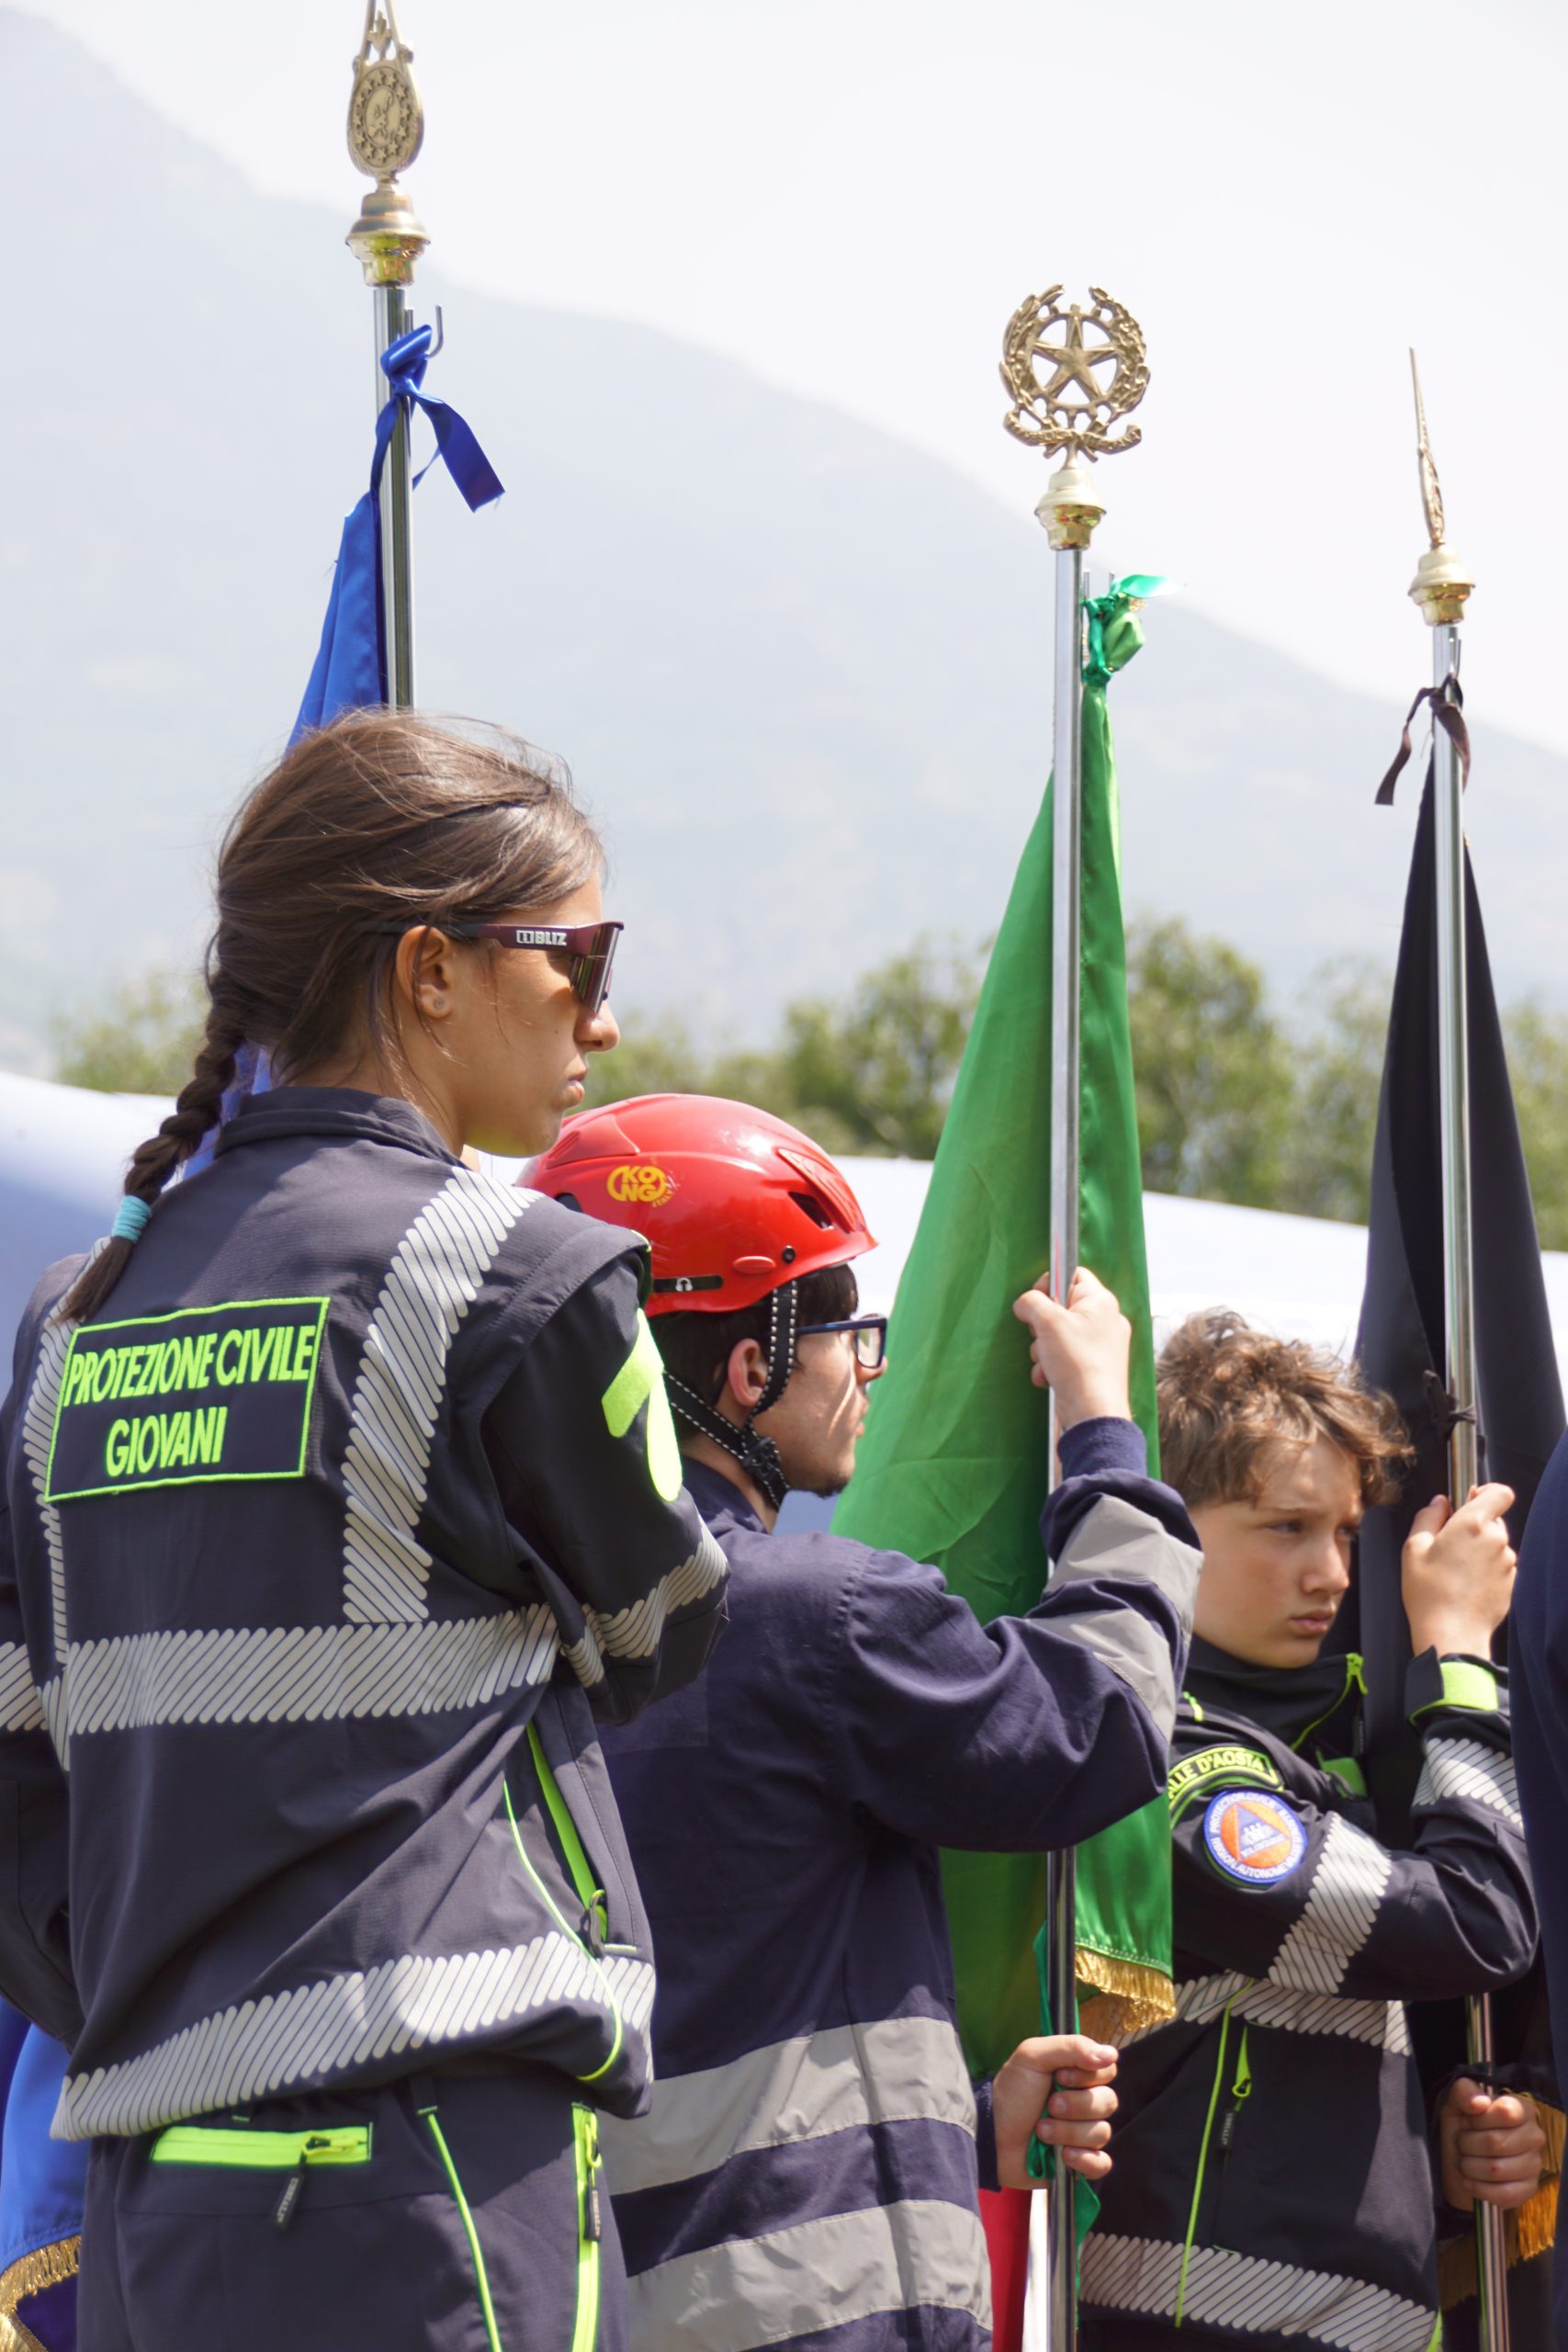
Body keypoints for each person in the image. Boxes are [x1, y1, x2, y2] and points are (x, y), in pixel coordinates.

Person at [0, 714, 730, 2352]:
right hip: (426, 2171)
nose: (603, 1017)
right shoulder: (524, 1275)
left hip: (151, 2191)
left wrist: (172, 1988)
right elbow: (664, 1628)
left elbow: (15, 1766)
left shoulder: (75, 1318)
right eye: (576, 956)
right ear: (428, 970)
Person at [530, 1091, 1202, 2349]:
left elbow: (723, 2011)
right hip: (817, 2318)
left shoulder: (497, 1633)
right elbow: (1097, 1724)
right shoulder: (805, 1614)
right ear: (748, 1367)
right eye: (847, 1330)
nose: (869, 1370)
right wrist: (1103, 1439)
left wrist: (949, 2119)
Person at [1079, 1310, 1545, 2352]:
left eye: (1343, 1532)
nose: (1333, 1574)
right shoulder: (1174, 1763)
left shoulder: (1330, 1748)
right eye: (1286, 1527)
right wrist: (1461, 1659)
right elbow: (1478, 1921)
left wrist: (1447, 2149)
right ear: (1165, 1525)